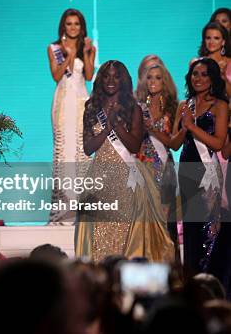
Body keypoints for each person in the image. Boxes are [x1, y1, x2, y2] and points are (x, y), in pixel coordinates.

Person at [75, 60, 174, 262]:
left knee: (126, 232)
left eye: (116, 76)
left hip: (127, 178)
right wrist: (106, 129)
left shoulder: (133, 109)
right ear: (100, 80)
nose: (111, 80)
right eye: (106, 76)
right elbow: (88, 148)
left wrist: (117, 126)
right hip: (100, 175)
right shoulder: (91, 108)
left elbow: (134, 146)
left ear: (123, 80)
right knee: (99, 231)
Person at [170, 58, 227, 275]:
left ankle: (211, 282)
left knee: (209, 230)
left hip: (208, 173)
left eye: (204, 74)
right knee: (192, 232)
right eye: (195, 74)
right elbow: (175, 144)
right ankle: (192, 281)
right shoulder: (185, 106)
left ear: (212, 78)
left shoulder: (220, 106)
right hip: (187, 172)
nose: (199, 78)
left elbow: (219, 143)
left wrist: (192, 126)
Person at [47, 8, 96, 223]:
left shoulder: (88, 46)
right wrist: (67, 56)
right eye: (69, 23)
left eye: (77, 23)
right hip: (63, 101)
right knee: (64, 150)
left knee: (81, 151)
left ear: (82, 26)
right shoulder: (55, 48)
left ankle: (80, 210)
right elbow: (56, 75)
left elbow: (88, 75)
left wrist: (85, 53)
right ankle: (62, 211)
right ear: (63, 26)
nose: (73, 27)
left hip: (82, 100)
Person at [135, 60, 180, 257]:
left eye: (158, 78)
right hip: (142, 167)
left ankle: (168, 269)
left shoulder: (173, 108)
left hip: (164, 169)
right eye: (149, 78)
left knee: (164, 222)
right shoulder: (137, 107)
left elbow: (174, 142)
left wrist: (151, 128)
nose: (153, 82)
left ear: (165, 82)